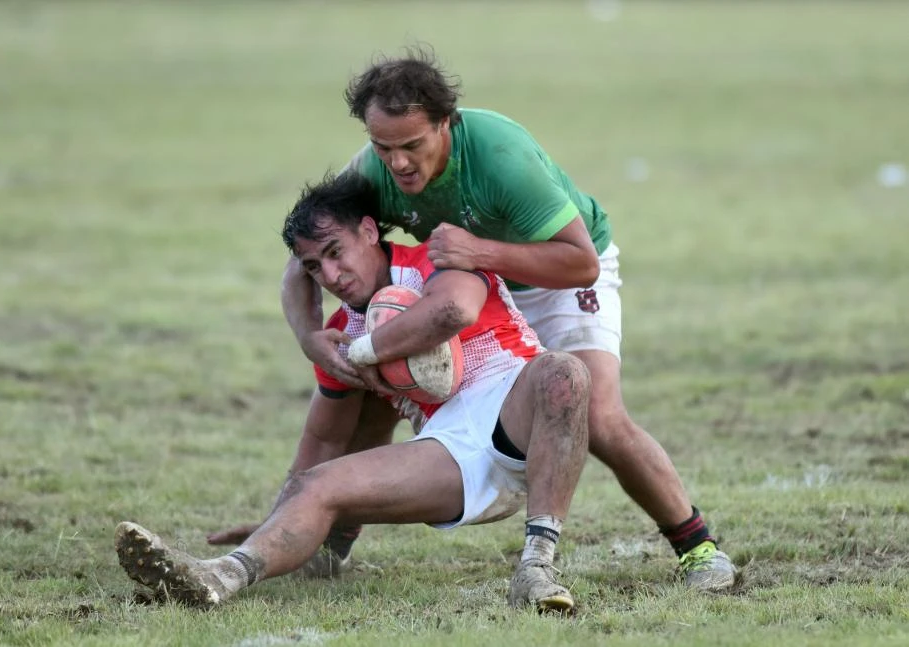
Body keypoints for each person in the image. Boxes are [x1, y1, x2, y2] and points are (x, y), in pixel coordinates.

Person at [212, 48, 736, 591]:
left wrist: (481, 253)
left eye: (412, 145)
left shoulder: (499, 156)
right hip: (470, 279)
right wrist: (309, 339)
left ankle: (696, 548)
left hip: (559, 275)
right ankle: (331, 540)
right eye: (382, 146)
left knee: (597, 415)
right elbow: (305, 254)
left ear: (446, 124)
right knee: (375, 383)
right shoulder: (373, 170)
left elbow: (580, 262)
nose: (397, 164)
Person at [116, 172, 592, 611]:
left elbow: (452, 312)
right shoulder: (339, 332)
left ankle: (536, 569)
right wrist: (279, 519)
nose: (330, 275)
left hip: (519, 416)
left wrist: (365, 353)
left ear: (368, 231)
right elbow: (323, 441)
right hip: (447, 452)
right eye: (313, 266)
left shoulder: (433, 259)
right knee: (316, 486)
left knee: (563, 372)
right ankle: (217, 578)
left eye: (334, 251)